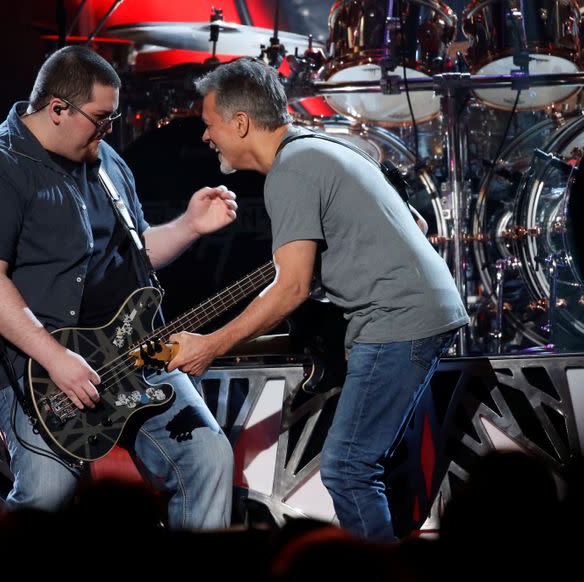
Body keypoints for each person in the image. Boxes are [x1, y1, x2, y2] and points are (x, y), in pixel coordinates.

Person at [167, 57, 468, 541]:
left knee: (348, 467)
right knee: (360, 465)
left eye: (210, 125)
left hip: (397, 321)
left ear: (240, 123)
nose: (206, 137)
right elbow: (417, 225)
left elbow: (291, 287)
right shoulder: (327, 146)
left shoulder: (292, 169)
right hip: (416, 315)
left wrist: (211, 344)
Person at [0, 46, 236, 529]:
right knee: (48, 491)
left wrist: (188, 226)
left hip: (132, 350)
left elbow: (135, 255)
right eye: (100, 118)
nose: (110, 129)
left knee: (207, 456)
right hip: (36, 367)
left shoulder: (107, 162)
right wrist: (55, 358)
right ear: (58, 109)